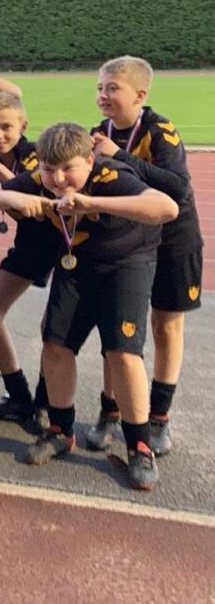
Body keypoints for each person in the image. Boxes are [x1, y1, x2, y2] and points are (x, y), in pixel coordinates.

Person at [0, 123, 179, 490]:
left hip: (125, 265)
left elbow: (166, 206)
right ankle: (61, 430)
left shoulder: (112, 174)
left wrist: (92, 202)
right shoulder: (39, 177)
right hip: (76, 264)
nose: (58, 179)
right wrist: (11, 198)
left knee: (123, 354)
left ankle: (140, 444)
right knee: (56, 345)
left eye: (68, 169)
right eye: (49, 170)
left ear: (90, 161)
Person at [86, 56, 204, 456]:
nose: (103, 95)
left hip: (174, 239)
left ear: (140, 94)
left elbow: (179, 188)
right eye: (100, 87)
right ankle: (111, 410)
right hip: (128, 243)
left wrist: (119, 157)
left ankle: (159, 418)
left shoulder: (160, 130)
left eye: (112, 88)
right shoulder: (96, 133)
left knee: (165, 326)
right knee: (116, 329)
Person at [0, 92, 54, 427]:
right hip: (31, 242)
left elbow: (30, 193)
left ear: (24, 126)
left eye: (6, 127)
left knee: (53, 327)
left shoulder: (37, 155)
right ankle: (19, 397)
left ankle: (48, 404)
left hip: (65, 244)